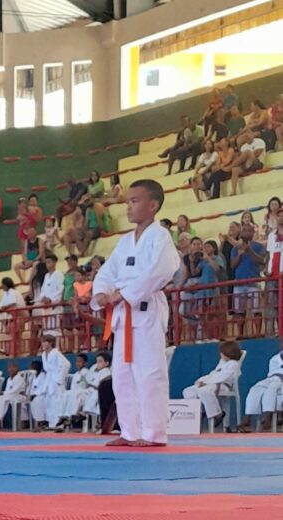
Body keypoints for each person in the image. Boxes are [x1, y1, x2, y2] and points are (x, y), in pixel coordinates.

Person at [91, 179, 180, 447]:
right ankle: (129, 431)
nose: (128, 207)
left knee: (150, 373)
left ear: (153, 205)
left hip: (145, 313)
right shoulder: (125, 242)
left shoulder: (160, 236)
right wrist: (101, 294)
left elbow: (162, 271)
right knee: (122, 375)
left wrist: (124, 294)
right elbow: (108, 272)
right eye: (128, 201)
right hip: (122, 318)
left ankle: (154, 433)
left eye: (134, 201)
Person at [182, 340, 242, 429]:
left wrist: (206, 383)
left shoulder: (233, 364)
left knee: (204, 391)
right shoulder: (222, 362)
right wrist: (201, 380)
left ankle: (217, 414)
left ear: (228, 353)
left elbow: (222, 377)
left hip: (223, 386)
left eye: (222, 353)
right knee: (188, 391)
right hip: (212, 383)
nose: (220, 354)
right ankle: (198, 412)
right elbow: (213, 373)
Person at [237, 338, 283, 432]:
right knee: (255, 388)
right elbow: (272, 372)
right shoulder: (275, 358)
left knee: (272, 388)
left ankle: (267, 414)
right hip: (272, 378)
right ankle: (248, 416)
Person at [231, 223, 267, 337]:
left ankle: (257, 332)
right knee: (239, 311)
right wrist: (240, 255)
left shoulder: (259, 246)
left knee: (256, 309)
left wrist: (250, 251)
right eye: (244, 230)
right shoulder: (235, 248)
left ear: (253, 233)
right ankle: (240, 334)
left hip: (253, 281)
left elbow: (262, 261)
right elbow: (232, 265)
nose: (247, 232)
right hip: (239, 282)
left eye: (249, 230)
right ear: (241, 233)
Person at [0, 362, 27, 427]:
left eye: (13, 367)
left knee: (2, 398)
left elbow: (15, 390)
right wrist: (2, 393)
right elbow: (8, 390)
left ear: (17, 369)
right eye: (9, 367)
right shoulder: (9, 379)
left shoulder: (19, 378)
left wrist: (2, 393)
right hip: (11, 395)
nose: (11, 369)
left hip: (19, 396)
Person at [55, 353, 89, 430]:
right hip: (75, 393)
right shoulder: (75, 374)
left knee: (74, 395)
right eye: (77, 361)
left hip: (84, 393)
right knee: (66, 394)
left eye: (80, 362)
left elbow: (85, 386)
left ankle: (72, 417)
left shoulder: (87, 372)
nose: (78, 363)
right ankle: (63, 416)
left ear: (85, 363)